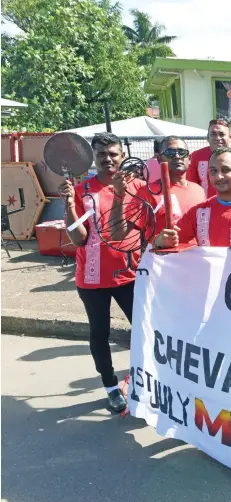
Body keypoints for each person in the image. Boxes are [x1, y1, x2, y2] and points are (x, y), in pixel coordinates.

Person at [58, 133, 143, 413]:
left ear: (122, 155)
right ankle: (110, 386)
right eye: (102, 154)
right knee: (99, 333)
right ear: (94, 157)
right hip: (92, 278)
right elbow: (78, 240)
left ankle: (143, 381)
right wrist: (69, 206)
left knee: (143, 332)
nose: (108, 159)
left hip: (129, 275)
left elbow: (136, 231)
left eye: (113, 154)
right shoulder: (82, 190)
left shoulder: (137, 188)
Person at [154, 147, 231, 251]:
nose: (219, 176)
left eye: (225, 170)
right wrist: (160, 241)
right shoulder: (198, 212)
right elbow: (171, 241)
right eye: (213, 171)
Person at [110, 136, 206, 243]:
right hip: (162, 258)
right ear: (160, 159)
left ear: (190, 159)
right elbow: (117, 235)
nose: (177, 156)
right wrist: (118, 196)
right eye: (170, 152)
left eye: (182, 152)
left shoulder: (199, 190)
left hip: (195, 257)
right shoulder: (148, 192)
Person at [186, 118, 231, 199]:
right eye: (213, 134)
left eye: (222, 134)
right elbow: (191, 187)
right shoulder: (196, 156)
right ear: (208, 137)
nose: (217, 138)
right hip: (207, 208)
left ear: (230, 137)